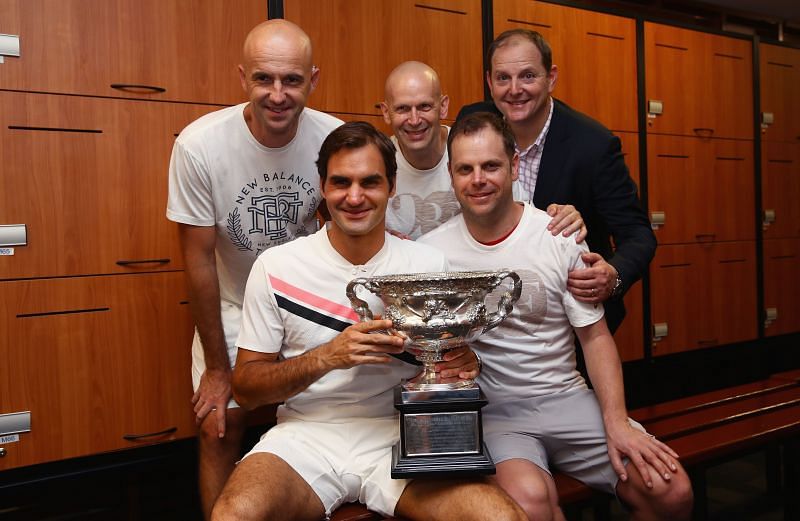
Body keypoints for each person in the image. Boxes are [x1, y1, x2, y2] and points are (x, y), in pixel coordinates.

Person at [211, 122, 526, 521]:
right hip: (305, 437)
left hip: (401, 433)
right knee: (232, 516)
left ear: (391, 186)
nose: (355, 196)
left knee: (501, 518)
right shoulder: (277, 267)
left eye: (370, 182)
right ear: (322, 186)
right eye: (341, 182)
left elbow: (452, 360)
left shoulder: (427, 266)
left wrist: (463, 364)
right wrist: (328, 357)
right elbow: (248, 388)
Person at [419, 112, 693, 520]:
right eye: (465, 169)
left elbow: (595, 338)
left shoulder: (557, 235)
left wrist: (616, 421)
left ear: (513, 165)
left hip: (566, 398)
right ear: (451, 174)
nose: (478, 179)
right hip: (494, 411)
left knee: (671, 491)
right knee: (530, 502)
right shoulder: (433, 254)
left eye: (491, 165)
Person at [166, 19, 342, 518]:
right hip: (235, 302)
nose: (278, 95)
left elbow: (354, 228)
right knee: (218, 423)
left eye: (292, 80)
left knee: (331, 418)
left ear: (314, 79)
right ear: (243, 77)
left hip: (307, 301)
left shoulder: (333, 138)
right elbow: (198, 260)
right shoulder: (200, 145)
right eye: (264, 79)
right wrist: (220, 371)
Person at [458, 29, 656, 333]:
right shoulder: (472, 122)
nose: (514, 90)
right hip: (492, 316)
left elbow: (638, 235)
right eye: (502, 78)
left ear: (551, 77)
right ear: (489, 81)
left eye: (527, 76)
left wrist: (613, 274)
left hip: (569, 317)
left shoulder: (593, 145)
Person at [382, 60, 585, 242]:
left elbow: (523, 224)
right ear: (386, 112)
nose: (415, 120)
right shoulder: (376, 163)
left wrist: (560, 218)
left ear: (443, 107)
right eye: (402, 109)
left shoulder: (474, 146)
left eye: (425, 106)